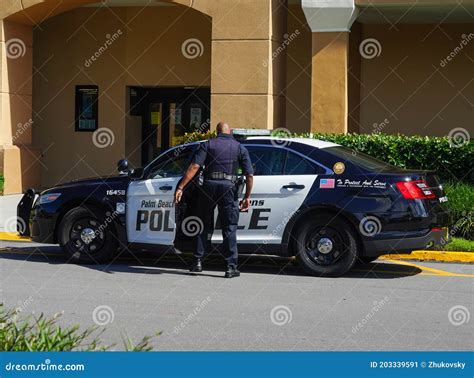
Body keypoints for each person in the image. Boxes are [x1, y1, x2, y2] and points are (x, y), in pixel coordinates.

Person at [174, 122, 254, 278]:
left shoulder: (207, 145)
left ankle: (197, 262)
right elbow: (249, 175)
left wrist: (181, 187)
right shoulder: (239, 147)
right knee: (229, 227)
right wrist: (247, 197)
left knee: (202, 223)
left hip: (208, 187)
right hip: (228, 188)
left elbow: (195, 166)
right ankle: (231, 267)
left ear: (216, 132)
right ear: (229, 132)